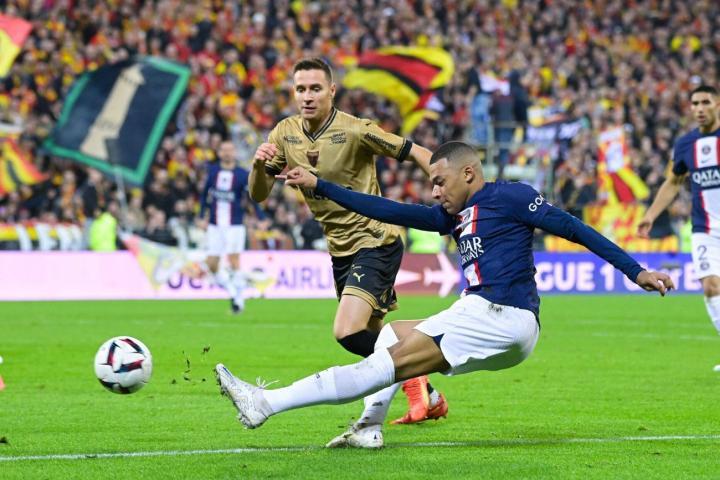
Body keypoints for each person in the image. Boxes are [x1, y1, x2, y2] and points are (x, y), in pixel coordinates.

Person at [215, 141, 674, 448]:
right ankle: (368, 428)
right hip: (488, 316)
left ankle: (265, 405)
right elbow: (386, 208)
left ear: (468, 173)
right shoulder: (451, 217)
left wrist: (635, 271)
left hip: (501, 313)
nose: (434, 191)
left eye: (440, 181)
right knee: (390, 335)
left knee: (381, 365)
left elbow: (574, 228)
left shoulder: (512, 197)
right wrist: (321, 186)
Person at [247, 57, 447, 424]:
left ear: (332, 91)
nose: (307, 96)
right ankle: (429, 396)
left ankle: (418, 372)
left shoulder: (356, 130)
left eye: (315, 88)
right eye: (301, 89)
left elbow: (415, 151)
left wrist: (447, 187)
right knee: (375, 338)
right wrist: (259, 165)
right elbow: (259, 194)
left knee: (347, 331)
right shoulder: (284, 133)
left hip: (375, 239)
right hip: (340, 250)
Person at [638, 85, 720, 370]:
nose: (699, 108)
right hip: (706, 229)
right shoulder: (686, 144)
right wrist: (651, 214)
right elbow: (673, 182)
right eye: (695, 103)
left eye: (705, 102)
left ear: (717, 104)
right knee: (711, 286)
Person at [199, 140, 266, 314]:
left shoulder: (242, 174)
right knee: (211, 264)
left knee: (234, 260)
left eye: (230, 150)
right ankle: (233, 292)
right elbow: (204, 195)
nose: (227, 153)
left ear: (234, 152)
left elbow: (252, 197)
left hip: (235, 224)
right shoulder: (213, 171)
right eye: (224, 150)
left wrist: (260, 217)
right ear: (219, 152)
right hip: (214, 224)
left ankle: (238, 301)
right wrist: (201, 216)